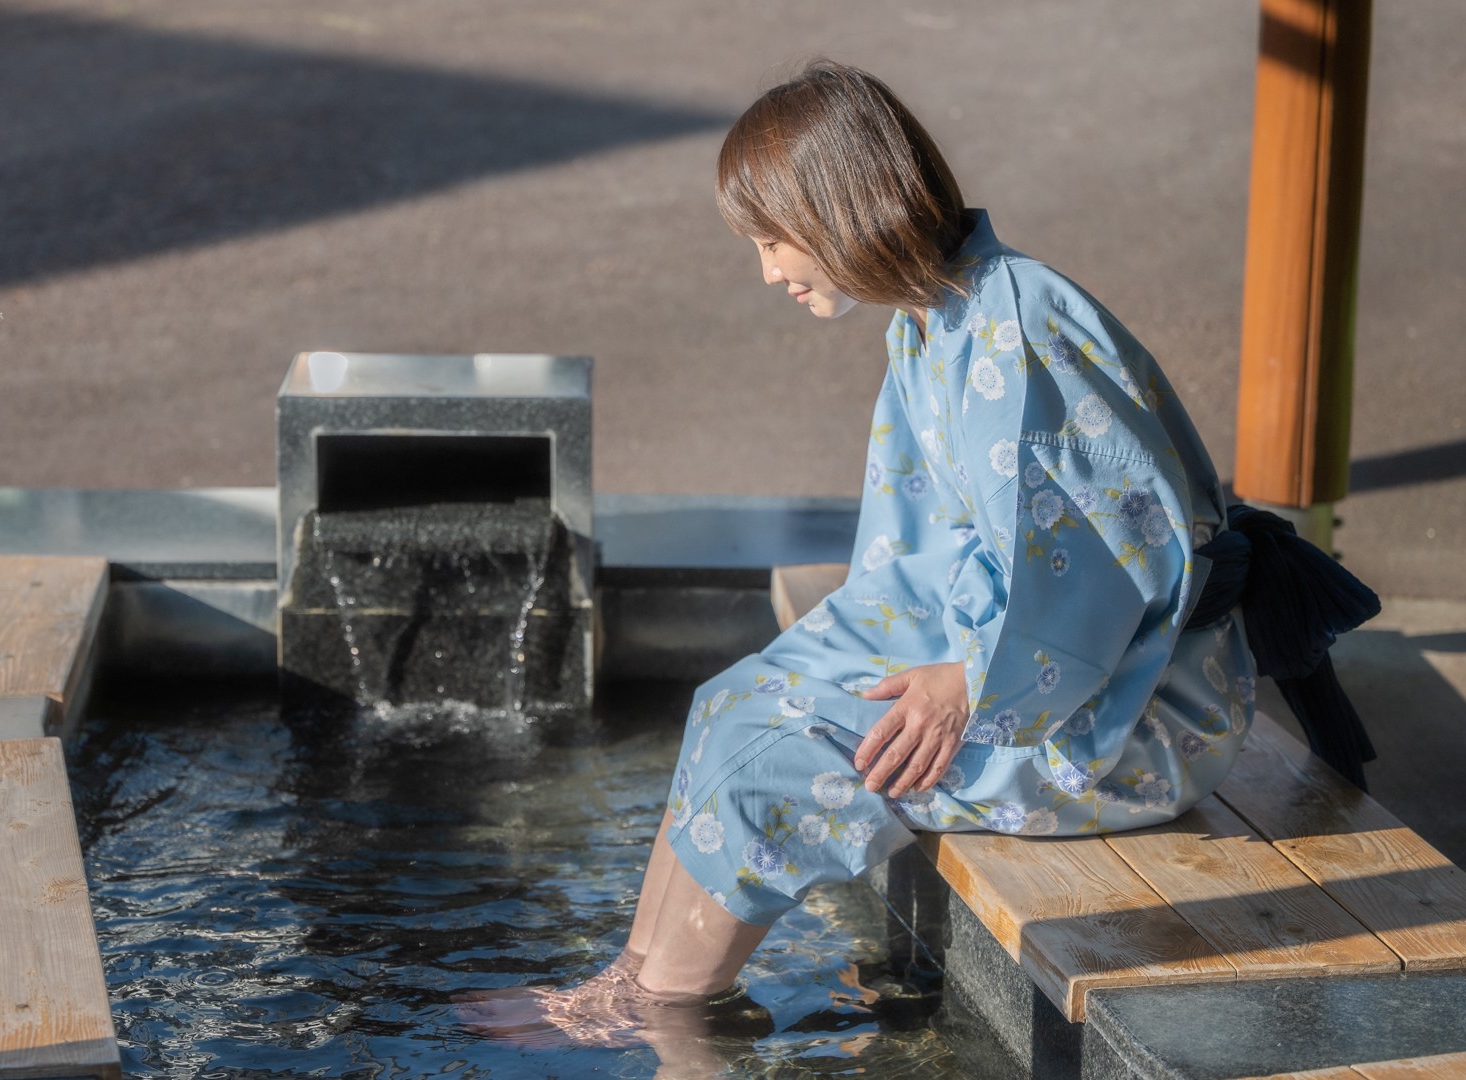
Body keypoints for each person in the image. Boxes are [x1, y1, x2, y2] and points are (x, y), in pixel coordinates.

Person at [469, 57, 1283, 1054]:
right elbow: (919, 556)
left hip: (1133, 720)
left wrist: (966, 682)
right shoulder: (936, 323)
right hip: (1041, 678)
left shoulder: (1016, 332)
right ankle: (636, 979)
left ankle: (673, 1028)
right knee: (735, 703)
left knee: (776, 779)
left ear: (847, 210)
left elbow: (1109, 574)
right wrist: (823, 663)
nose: (769, 271)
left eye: (773, 240)